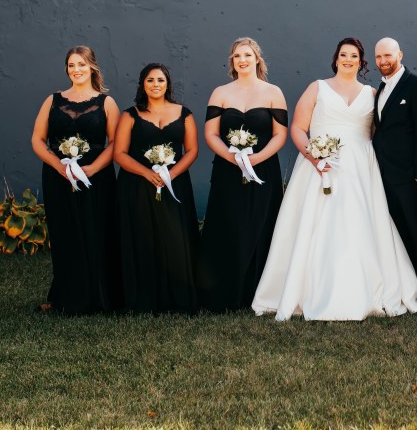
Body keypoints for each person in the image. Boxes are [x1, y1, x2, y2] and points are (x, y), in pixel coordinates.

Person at [253, 38, 417, 320]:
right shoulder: (317, 88)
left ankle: (362, 290)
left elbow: (377, 133)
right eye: (343, 55)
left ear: (361, 61)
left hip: (360, 168)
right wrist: (314, 158)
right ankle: (306, 290)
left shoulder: (372, 93)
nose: (348, 60)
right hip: (320, 166)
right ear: (336, 58)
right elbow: (298, 128)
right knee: (315, 225)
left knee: (359, 224)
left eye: (354, 56)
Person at [197, 37, 288, 312]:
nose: (242, 60)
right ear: (232, 62)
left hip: (264, 170)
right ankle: (224, 292)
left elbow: (280, 134)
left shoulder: (273, 92)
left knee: (260, 224)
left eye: (247, 55)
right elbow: (211, 133)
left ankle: (258, 292)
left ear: (257, 59)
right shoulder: (220, 93)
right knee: (228, 224)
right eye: (237, 56)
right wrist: (232, 157)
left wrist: (257, 159)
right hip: (228, 169)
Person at [30, 45, 121, 314]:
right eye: (71, 65)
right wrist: (58, 166)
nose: (76, 70)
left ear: (92, 67)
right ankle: (66, 296)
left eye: (81, 64)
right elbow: (37, 139)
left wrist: (93, 169)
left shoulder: (106, 103)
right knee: (65, 233)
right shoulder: (52, 100)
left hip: (97, 178)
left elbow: (116, 143)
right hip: (58, 177)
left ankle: (100, 297)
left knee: (96, 232)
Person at [113, 63, 200, 314]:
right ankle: (141, 297)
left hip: (175, 185)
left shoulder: (184, 114)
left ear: (167, 84)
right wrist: (147, 173)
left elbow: (192, 150)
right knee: (142, 238)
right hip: (137, 187)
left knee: (174, 239)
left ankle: (177, 298)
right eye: (150, 80)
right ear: (143, 84)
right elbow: (119, 153)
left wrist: (171, 174)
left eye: (160, 80)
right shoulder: (130, 115)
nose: (155, 85)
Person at [371, 37, 417, 313]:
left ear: (400, 54)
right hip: (384, 175)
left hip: (410, 178)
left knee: (416, 234)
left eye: (388, 55)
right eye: (378, 57)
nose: (383, 61)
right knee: (397, 236)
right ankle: (407, 289)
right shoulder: (380, 88)